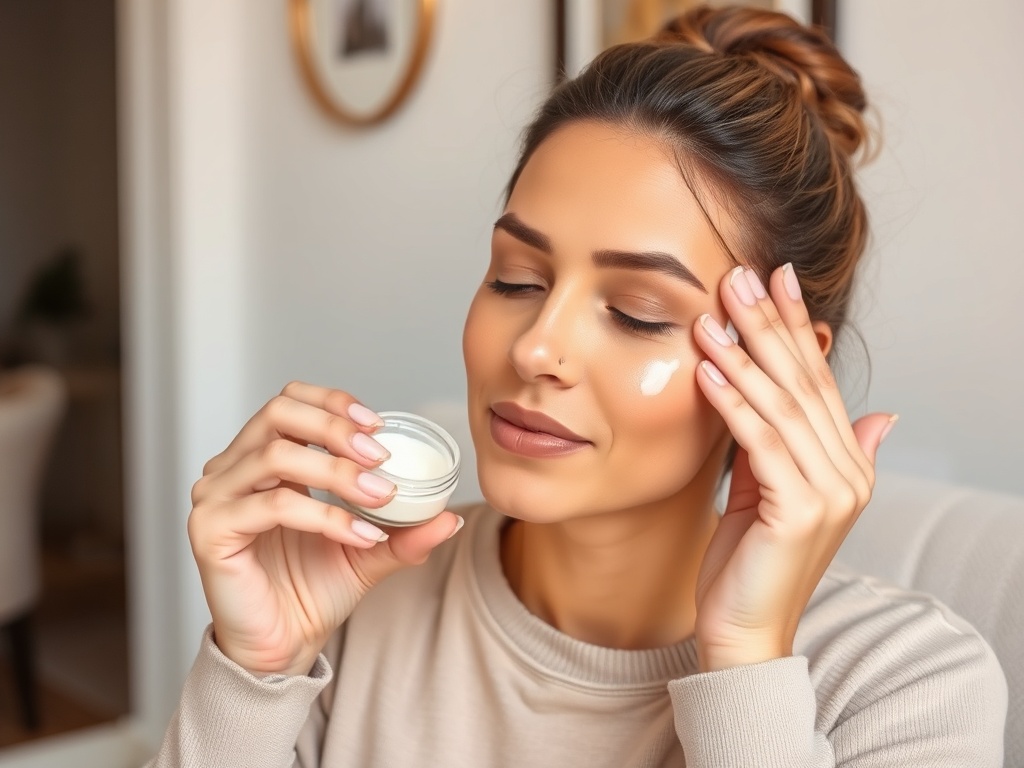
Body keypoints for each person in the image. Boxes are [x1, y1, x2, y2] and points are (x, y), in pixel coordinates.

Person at [146, 6, 1007, 766]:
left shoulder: (907, 684)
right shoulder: (357, 595)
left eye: (636, 311)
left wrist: (745, 658)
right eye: (516, 280)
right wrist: (254, 673)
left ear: (788, 368)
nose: (538, 348)